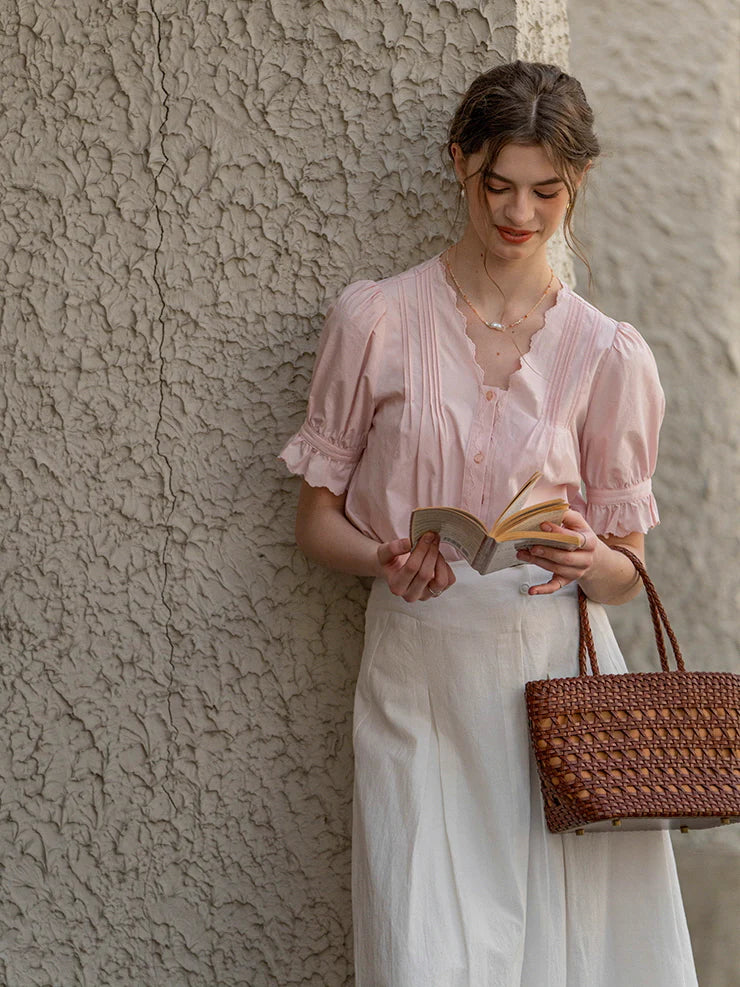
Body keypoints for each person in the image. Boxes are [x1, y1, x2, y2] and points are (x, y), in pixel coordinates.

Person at [280, 60, 697, 987]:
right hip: (415, 675)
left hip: (556, 690)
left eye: (546, 192)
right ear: (459, 164)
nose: (519, 213)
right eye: (497, 185)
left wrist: (595, 555)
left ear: (576, 184)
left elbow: (629, 572)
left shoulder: (609, 352)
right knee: (419, 948)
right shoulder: (377, 318)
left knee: (571, 956)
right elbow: (315, 522)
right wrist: (384, 555)